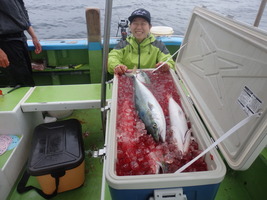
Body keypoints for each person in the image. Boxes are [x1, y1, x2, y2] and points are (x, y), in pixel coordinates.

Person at [108, 8, 175, 75]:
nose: (139, 27)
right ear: (130, 26)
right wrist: (116, 66)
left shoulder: (158, 45)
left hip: (150, 81)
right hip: (128, 80)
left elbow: (169, 61)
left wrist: (166, 65)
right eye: (135, 23)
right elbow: (112, 57)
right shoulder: (123, 44)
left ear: (150, 26)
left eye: (143, 23)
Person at [0, 0, 42, 87]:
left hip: (20, 38)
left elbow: (23, 13)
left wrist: (33, 36)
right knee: (20, 84)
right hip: (6, 42)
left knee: (27, 79)